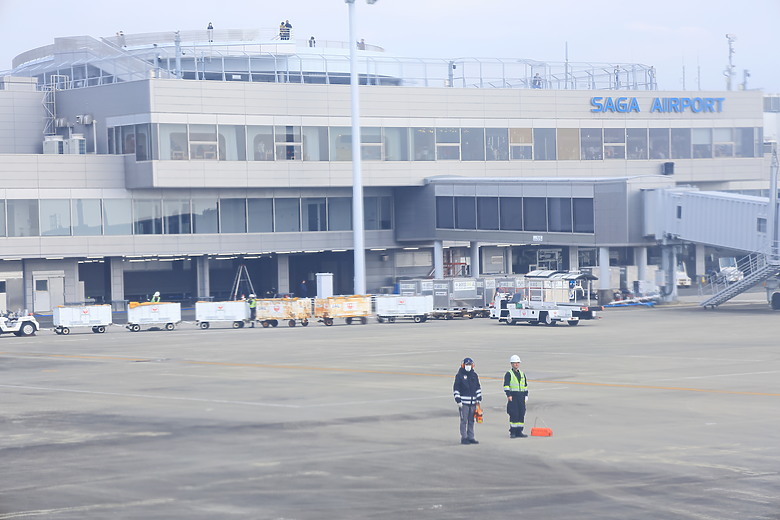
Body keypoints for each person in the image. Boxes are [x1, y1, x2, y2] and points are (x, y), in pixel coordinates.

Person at [453, 357, 482, 444]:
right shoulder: (459, 376)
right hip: (464, 403)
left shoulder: (474, 375)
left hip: (473, 403)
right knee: (464, 420)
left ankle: (471, 437)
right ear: (463, 365)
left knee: (471, 421)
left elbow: (478, 387)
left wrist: (479, 398)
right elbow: (456, 389)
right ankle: (464, 437)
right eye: (467, 365)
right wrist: (458, 400)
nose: (468, 366)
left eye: (470, 365)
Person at [504, 355, 529, 438]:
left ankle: (519, 431)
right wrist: (508, 395)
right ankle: (513, 432)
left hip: (521, 396)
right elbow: (506, 386)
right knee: (514, 414)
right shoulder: (509, 374)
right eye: (515, 363)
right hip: (513, 397)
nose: (516, 364)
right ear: (511, 364)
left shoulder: (522, 374)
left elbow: (525, 386)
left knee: (521, 413)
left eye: (518, 363)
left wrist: (526, 395)